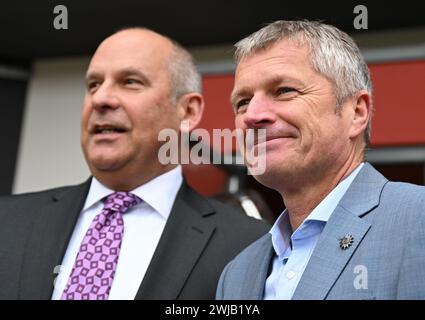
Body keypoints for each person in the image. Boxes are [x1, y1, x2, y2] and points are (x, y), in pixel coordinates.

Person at [0, 28, 268, 300]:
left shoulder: (250, 246)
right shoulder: (8, 222)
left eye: (130, 82)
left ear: (187, 111)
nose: (100, 99)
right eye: (93, 84)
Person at [216, 20, 425, 300]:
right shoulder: (236, 273)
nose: (252, 115)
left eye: (284, 91)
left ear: (356, 113)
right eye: (242, 102)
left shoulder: (417, 219)